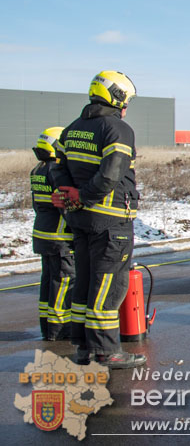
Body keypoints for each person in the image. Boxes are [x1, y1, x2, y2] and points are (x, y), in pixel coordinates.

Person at [51, 71, 145, 369]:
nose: (126, 107)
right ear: (117, 97)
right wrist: (83, 195)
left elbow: (57, 168)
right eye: (126, 100)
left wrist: (69, 194)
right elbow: (111, 173)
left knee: (85, 282)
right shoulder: (117, 129)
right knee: (109, 285)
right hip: (111, 221)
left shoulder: (72, 129)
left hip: (80, 220)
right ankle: (107, 351)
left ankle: (83, 347)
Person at [30, 127, 75, 341]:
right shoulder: (56, 171)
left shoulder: (37, 170)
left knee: (48, 281)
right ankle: (59, 328)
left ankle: (47, 325)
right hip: (59, 238)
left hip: (42, 233)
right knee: (63, 281)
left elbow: (37, 205)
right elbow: (64, 206)